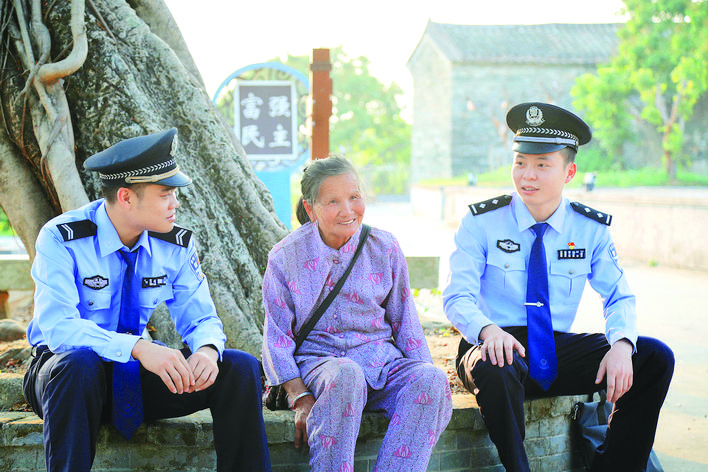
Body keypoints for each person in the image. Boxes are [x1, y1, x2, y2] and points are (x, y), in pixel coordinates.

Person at [22, 128, 271, 472]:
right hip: (65, 379)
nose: (176, 203)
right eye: (165, 194)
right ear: (126, 197)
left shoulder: (176, 245)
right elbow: (59, 330)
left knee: (239, 368)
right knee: (78, 365)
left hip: (132, 377)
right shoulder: (62, 238)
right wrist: (139, 347)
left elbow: (201, 319)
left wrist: (207, 350)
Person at [443, 102, 674, 472]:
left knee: (653, 357)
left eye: (541, 165)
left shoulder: (590, 229)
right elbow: (457, 296)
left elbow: (618, 295)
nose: (526, 176)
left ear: (569, 172)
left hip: (551, 349)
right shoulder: (481, 222)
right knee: (495, 365)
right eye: (520, 162)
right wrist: (488, 330)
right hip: (492, 345)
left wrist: (621, 344)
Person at [261, 156, 452, 472]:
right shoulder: (285, 256)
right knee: (346, 373)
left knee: (430, 379)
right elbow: (276, 337)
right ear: (310, 209)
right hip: (321, 366)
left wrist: (421, 379)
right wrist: (301, 398)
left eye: (354, 197)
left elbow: (405, 321)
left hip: (380, 364)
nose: (348, 210)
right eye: (333, 201)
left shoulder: (384, 246)